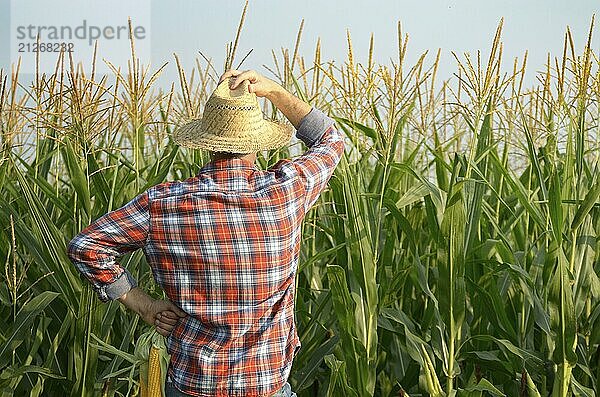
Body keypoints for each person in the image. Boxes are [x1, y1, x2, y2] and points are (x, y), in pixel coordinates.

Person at [67, 69, 345, 397]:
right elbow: (330, 139)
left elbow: (86, 246)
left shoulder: (162, 204)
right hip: (265, 386)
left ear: (208, 144)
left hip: (192, 384)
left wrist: (144, 305)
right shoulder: (287, 191)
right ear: (257, 141)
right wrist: (274, 92)